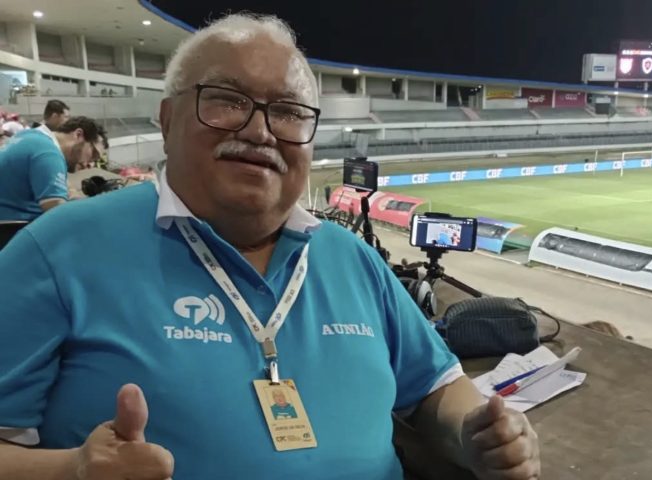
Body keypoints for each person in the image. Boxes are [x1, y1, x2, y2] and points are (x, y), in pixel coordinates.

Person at [0, 13, 539, 480]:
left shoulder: (351, 257)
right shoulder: (56, 249)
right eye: (227, 100)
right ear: (167, 121)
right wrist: (72, 469)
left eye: (288, 112)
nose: (260, 131)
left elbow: (436, 385)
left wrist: (476, 433)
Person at [0, 116, 108, 221]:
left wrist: (74, 197)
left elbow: (64, 184)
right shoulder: (49, 153)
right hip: (13, 228)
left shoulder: (31, 136)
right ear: (78, 135)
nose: (91, 164)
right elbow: (59, 216)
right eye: (93, 154)